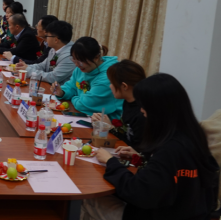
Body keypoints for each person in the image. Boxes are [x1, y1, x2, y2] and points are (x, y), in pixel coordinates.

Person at [84, 74, 220, 221]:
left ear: (158, 109)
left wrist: (110, 162)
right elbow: (171, 175)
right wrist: (142, 158)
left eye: (144, 106)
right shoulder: (194, 136)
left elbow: (139, 193)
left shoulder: (170, 149)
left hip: (159, 214)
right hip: (189, 212)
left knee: (88, 199)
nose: (142, 110)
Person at [50, 37, 122, 118]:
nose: (77, 65)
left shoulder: (108, 76)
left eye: (80, 61)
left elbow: (84, 105)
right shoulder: (81, 68)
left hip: (108, 121)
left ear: (96, 58)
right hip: (85, 114)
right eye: (74, 60)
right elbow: (71, 86)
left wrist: (73, 98)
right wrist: (62, 92)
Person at [91, 60, 147, 148]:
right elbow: (124, 135)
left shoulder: (142, 113)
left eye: (112, 83)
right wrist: (107, 125)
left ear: (124, 86)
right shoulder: (127, 101)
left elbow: (135, 148)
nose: (110, 86)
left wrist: (111, 128)